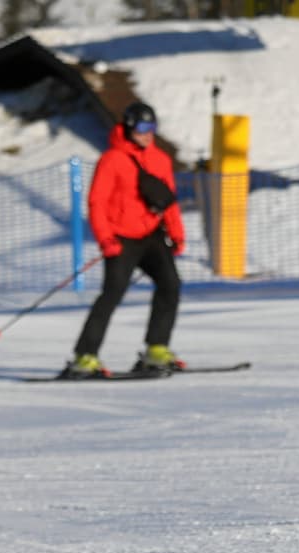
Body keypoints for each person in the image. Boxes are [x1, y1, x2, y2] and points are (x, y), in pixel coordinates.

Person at [64, 101, 186, 378]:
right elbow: (97, 202)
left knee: (171, 285)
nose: (147, 133)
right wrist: (105, 239)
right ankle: (85, 356)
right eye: (142, 127)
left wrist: (176, 233)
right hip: (121, 239)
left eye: (152, 127)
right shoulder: (112, 160)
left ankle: (156, 349)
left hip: (152, 235)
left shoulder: (161, 160)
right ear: (129, 128)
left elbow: (168, 201)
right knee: (112, 294)